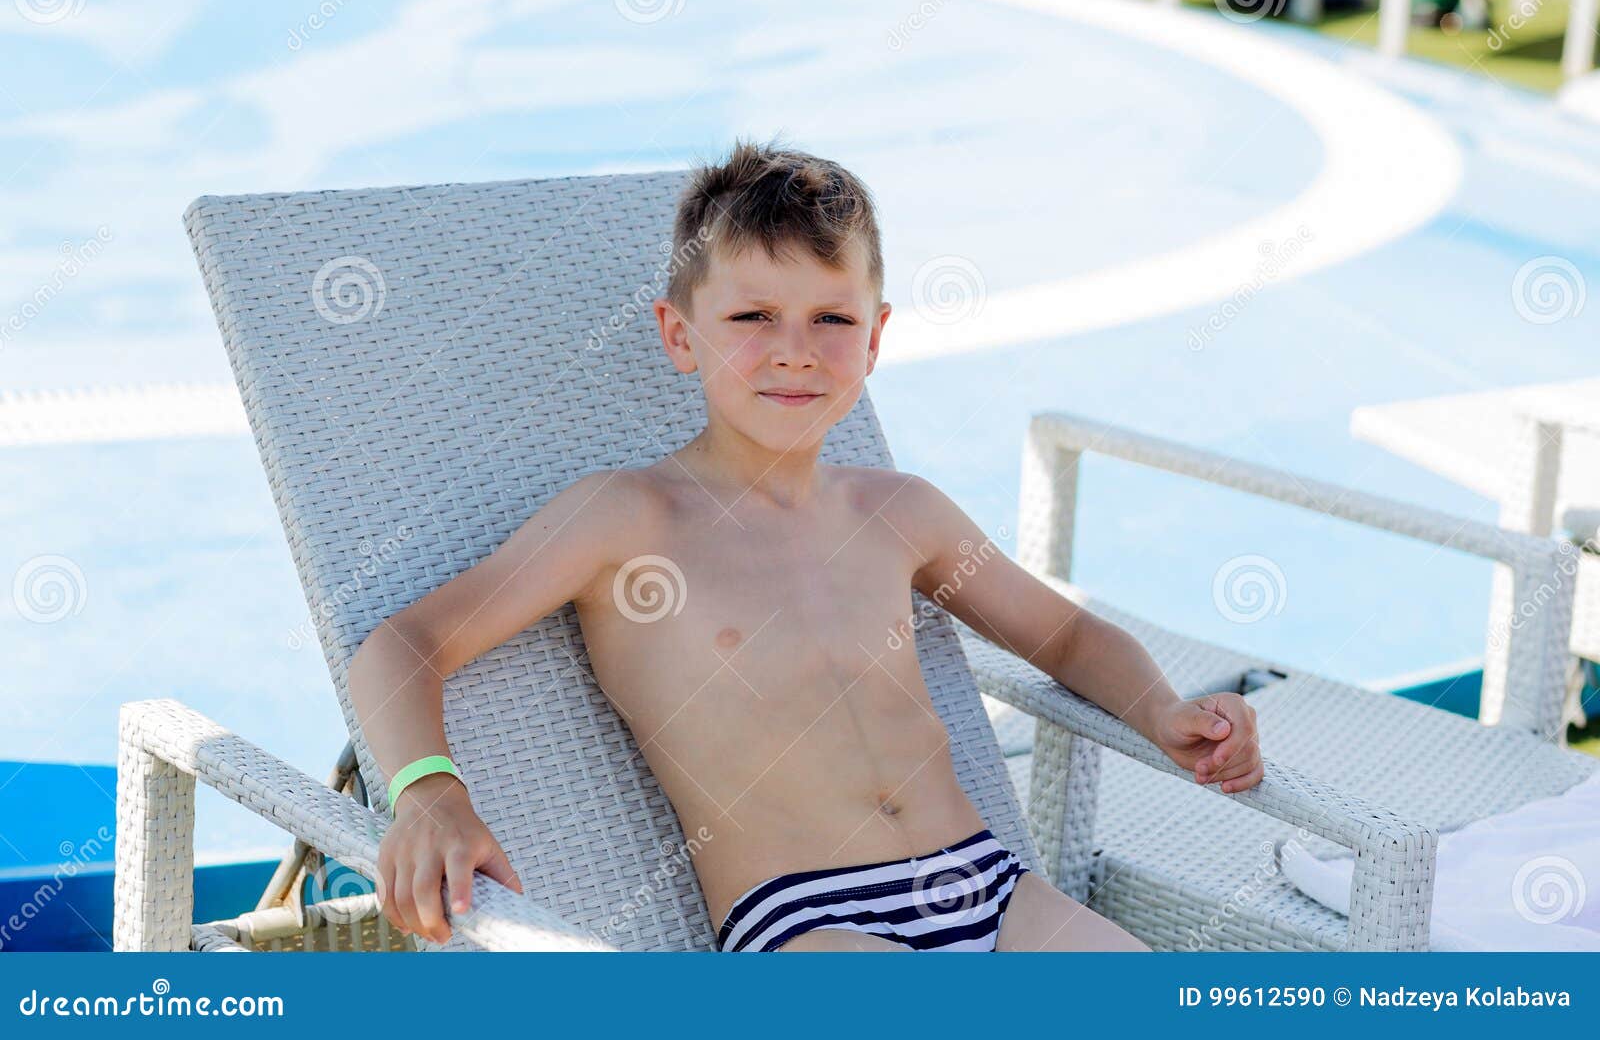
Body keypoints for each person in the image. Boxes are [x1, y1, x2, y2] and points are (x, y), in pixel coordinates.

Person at [348, 139, 1264, 953]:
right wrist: (429, 792)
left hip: (993, 888)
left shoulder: (901, 511)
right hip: (807, 920)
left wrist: (1162, 710)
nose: (795, 351)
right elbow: (402, 646)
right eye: (752, 319)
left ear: (874, 341)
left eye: (832, 319)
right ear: (680, 334)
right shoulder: (625, 520)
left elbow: (1066, 639)